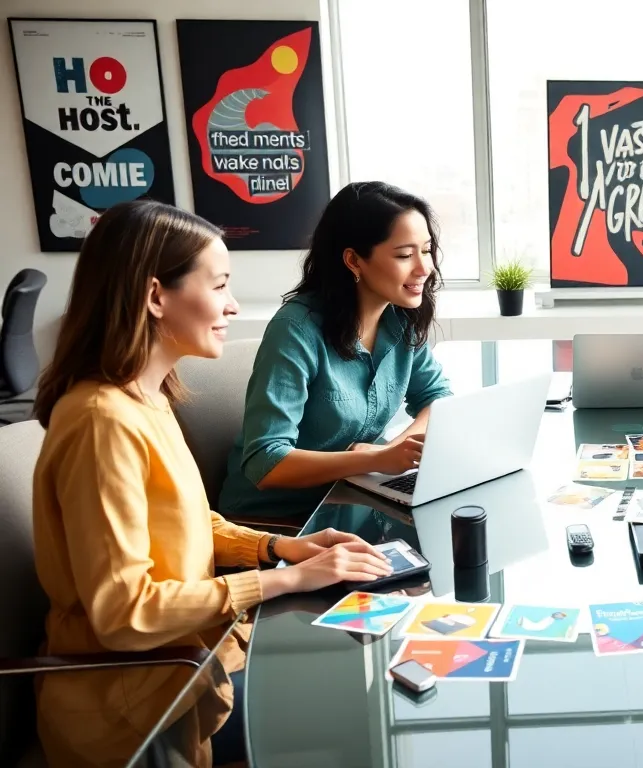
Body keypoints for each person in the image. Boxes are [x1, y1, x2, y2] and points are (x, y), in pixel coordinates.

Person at [30, 200, 394, 767]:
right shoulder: (103, 422)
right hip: (137, 706)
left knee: (365, 669)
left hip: (187, 661)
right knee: (352, 708)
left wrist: (280, 548)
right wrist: (283, 580)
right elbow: (124, 614)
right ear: (155, 297)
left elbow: (186, 522)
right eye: (219, 285)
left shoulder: (145, 397)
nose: (232, 305)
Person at [218, 181, 453, 518]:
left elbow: (436, 396)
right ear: (354, 260)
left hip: (349, 500)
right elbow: (265, 462)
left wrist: (396, 450)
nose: (424, 268)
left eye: (427, 250)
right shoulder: (295, 329)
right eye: (404, 255)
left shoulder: (399, 318)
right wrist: (375, 460)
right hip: (276, 520)